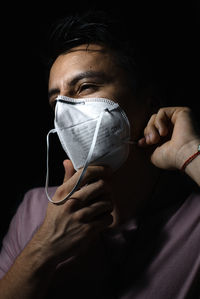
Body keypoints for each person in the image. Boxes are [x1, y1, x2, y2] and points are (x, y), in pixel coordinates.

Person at [0, 10, 199, 299]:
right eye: (57, 100)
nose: (65, 112)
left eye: (85, 87)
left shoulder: (193, 215)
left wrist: (191, 153)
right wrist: (44, 248)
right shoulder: (33, 210)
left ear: (149, 102)